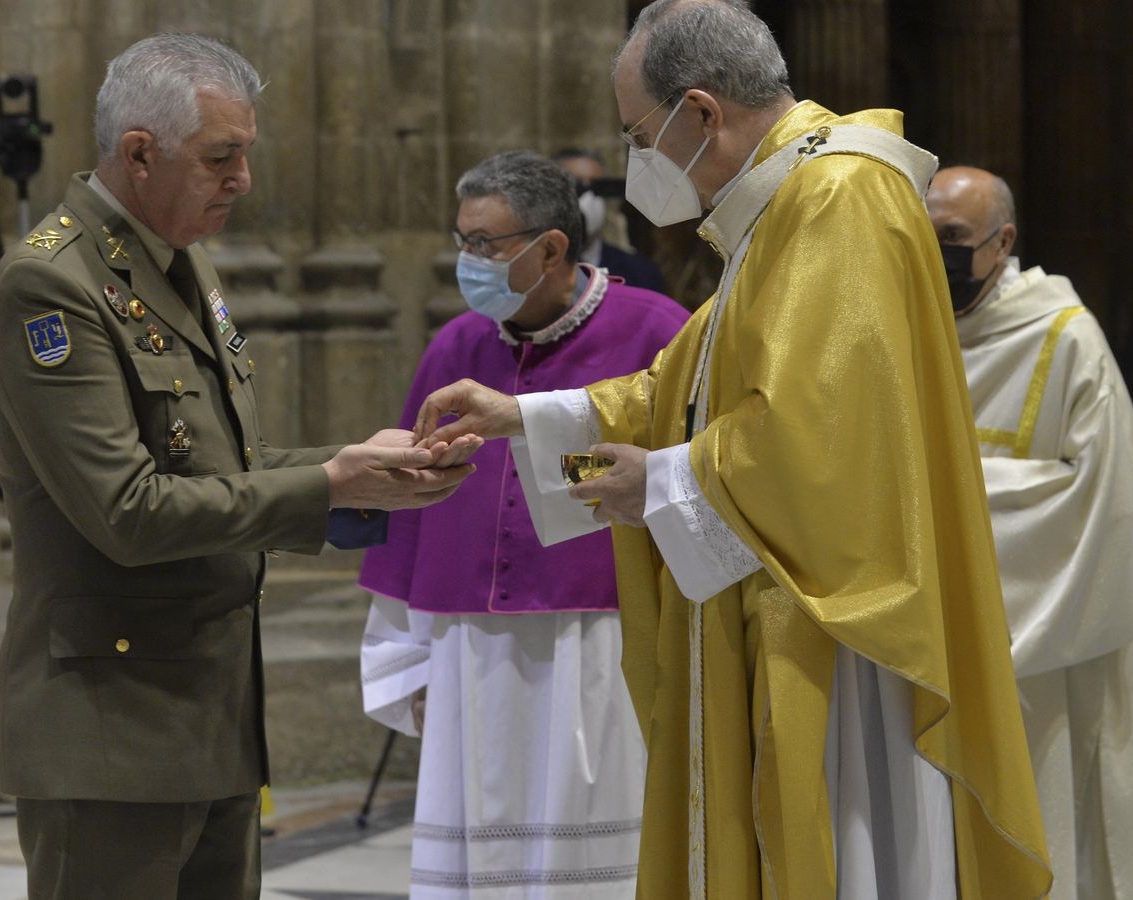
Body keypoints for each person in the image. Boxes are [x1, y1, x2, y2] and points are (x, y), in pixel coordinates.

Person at [412, 2, 1053, 897]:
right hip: (797, 590)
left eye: (641, 134)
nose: (642, 159)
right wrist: (523, 416)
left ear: (702, 113)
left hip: (838, 620)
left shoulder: (836, 196)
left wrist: (666, 479)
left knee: (845, 839)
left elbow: (824, 438)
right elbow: (688, 384)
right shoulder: (786, 204)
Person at [0, 34, 478, 899]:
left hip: (210, 717)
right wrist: (330, 485)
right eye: (222, 157)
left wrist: (360, 465)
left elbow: (224, 465)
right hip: (110, 733)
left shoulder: (179, 262)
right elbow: (129, 511)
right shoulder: (50, 284)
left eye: (244, 153)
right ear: (140, 154)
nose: (242, 180)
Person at [356, 151, 688, 898]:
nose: (467, 260)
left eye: (486, 244)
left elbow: (670, 475)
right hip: (470, 654)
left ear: (550, 249)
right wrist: (409, 658)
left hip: (601, 646)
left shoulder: (657, 333)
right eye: (462, 239)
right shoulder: (455, 346)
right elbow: (410, 506)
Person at [929, 166, 1133, 900]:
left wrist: (939, 501)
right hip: (923, 629)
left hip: (1034, 630)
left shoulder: (1065, 337)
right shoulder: (905, 322)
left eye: (953, 239)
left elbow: (1106, 493)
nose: (935, 254)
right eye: (923, 235)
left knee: (1033, 806)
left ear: (1003, 242)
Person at [552, 147, 670, 293]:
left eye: (597, 188)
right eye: (577, 187)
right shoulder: (539, 266)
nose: (588, 199)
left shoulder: (640, 271)